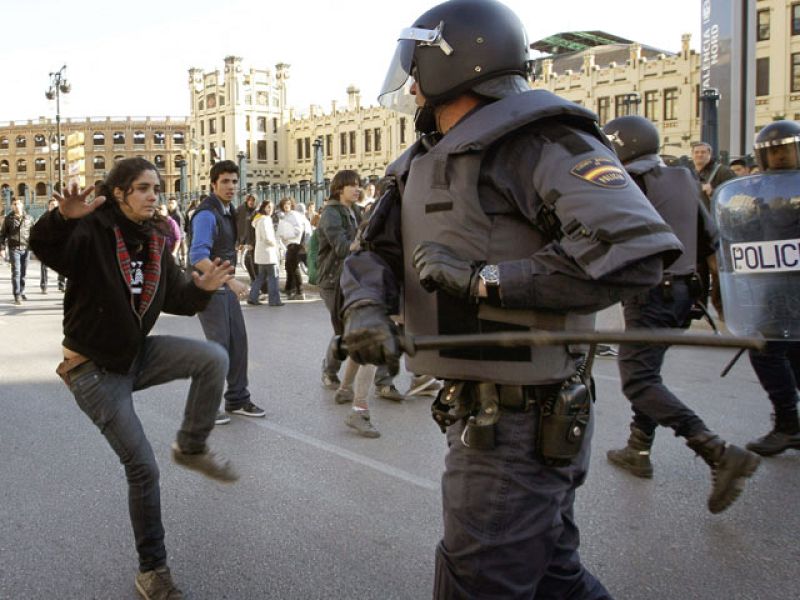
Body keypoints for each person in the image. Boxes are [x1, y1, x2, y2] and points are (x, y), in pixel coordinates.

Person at [340, 1, 684, 597]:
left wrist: (486, 279)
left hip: (521, 423)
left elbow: (633, 248)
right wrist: (365, 309)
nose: (413, 87)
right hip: (486, 412)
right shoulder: (422, 159)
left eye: (417, 69)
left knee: (480, 584)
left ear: (452, 63)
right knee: (556, 581)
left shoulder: (537, 139)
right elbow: (372, 253)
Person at [29, 158, 238, 599]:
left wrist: (201, 289)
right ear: (119, 193)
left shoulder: (158, 239)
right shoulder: (92, 232)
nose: (152, 196)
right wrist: (60, 219)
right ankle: (153, 572)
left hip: (135, 353)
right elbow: (46, 248)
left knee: (213, 358)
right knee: (142, 467)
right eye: (142, 188)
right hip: (92, 370)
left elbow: (176, 297)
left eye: (156, 188)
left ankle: (192, 446)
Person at [601, 115, 760, 512]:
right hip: (682, 293)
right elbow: (710, 240)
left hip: (652, 293)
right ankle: (638, 447)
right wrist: (720, 299)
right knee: (647, 371)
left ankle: (717, 451)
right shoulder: (683, 178)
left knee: (638, 379)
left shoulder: (626, 182)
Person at [189, 160, 266, 424]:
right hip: (210, 289)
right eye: (225, 181)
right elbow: (197, 255)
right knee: (218, 348)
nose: (231, 186)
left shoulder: (226, 210)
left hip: (224, 286)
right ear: (213, 184)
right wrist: (231, 281)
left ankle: (237, 398)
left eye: (234, 181)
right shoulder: (207, 214)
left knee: (237, 342)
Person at [743, 120, 800, 456]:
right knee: (775, 349)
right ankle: (789, 422)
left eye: (784, 149)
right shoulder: (758, 190)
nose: (778, 156)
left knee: (770, 350)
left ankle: (788, 424)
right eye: (772, 151)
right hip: (775, 285)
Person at [248, 200, 283, 307]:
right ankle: (274, 300)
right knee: (273, 277)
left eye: (271, 208)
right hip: (268, 253)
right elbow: (267, 237)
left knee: (261, 277)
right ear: (263, 208)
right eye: (268, 207)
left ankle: (252, 297)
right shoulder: (265, 220)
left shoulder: (258, 219)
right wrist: (275, 244)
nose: (270, 210)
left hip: (261, 254)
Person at [0, 197, 34, 305]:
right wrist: (2, 248)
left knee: (23, 273)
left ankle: (22, 291)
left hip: (26, 249)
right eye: (14, 204)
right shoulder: (8, 219)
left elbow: (34, 234)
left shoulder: (29, 218)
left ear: (22, 205)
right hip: (14, 249)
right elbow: (2, 235)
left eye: (18, 204)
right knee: (16, 272)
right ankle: (17, 295)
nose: (16, 206)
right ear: (12, 206)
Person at [277, 198, 312, 300]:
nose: (286, 206)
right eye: (284, 204)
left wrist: (287, 236)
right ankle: (289, 288)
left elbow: (298, 230)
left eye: (288, 204)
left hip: (295, 244)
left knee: (294, 267)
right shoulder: (287, 216)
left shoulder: (293, 215)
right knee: (289, 266)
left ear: (292, 204)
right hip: (292, 244)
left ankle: (300, 291)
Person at [691, 141, 737, 209]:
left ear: (709, 154)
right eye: (696, 152)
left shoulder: (723, 171)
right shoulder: (691, 174)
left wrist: (712, 192)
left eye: (703, 152)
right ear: (692, 155)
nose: (699, 155)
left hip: (714, 217)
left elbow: (735, 194)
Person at [38, 198, 66, 293]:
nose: (54, 206)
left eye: (55, 205)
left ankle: (61, 285)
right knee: (44, 267)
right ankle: (44, 286)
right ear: (48, 206)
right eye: (52, 205)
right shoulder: (43, 218)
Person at [236, 194, 258, 283]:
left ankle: (259, 285)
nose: (251, 202)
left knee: (252, 263)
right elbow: (240, 227)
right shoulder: (242, 210)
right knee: (248, 262)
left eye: (253, 200)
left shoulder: (257, 212)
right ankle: (255, 282)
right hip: (248, 241)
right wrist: (240, 242)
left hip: (255, 241)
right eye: (249, 200)